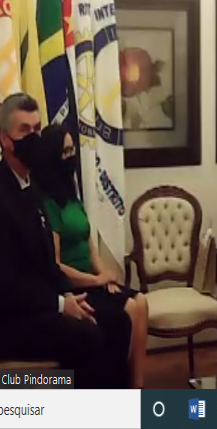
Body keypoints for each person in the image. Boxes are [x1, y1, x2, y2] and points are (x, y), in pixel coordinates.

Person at [0, 94, 130, 387]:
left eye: (37, 129)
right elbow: (5, 286)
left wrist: (68, 295)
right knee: (89, 337)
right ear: (5, 139)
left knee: (118, 320)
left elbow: (47, 263)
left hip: (42, 305)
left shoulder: (31, 189)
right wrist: (59, 304)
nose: (34, 138)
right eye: (24, 130)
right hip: (11, 323)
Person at [35, 125, 149, 388]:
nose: (71, 157)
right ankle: (119, 386)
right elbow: (56, 264)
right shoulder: (48, 204)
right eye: (65, 152)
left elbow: (90, 247)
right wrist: (96, 281)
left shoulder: (72, 197)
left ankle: (137, 388)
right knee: (129, 310)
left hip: (92, 279)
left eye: (72, 150)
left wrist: (105, 274)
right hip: (74, 286)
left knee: (141, 301)